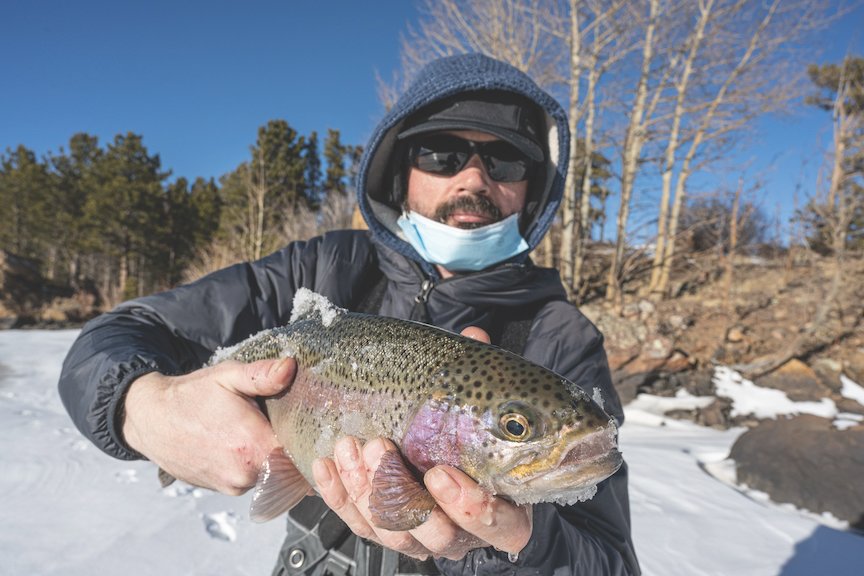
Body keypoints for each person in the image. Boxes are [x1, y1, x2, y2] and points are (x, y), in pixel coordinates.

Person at [59, 53, 640, 576]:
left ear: (532, 189)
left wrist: (517, 549)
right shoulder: (322, 269)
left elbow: (610, 562)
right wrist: (143, 405)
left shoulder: (563, 337)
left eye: (507, 160)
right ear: (399, 171)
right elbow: (119, 335)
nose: (474, 178)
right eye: (441, 154)